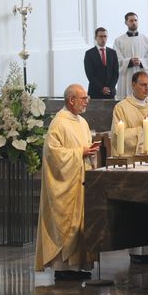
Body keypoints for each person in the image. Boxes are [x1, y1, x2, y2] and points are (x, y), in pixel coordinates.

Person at [34, 84, 102, 282]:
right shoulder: (59, 123)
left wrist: (89, 152)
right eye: (83, 98)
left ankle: (77, 265)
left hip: (80, 181)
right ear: (71, 100)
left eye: (87, 98)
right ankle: (62, 267)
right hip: (65, 185)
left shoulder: (82, 122)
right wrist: (79, 153)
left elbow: (84, 148)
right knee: (67, 225)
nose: (86, 101)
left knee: (81, 224)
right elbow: (52, 154)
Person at [112, 71, 148, 264]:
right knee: (137, 208)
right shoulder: (122, 108)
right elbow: (118, 136)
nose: (147, 89)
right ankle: (137, 251)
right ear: (133, 85)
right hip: (134, 165)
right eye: (143, 85)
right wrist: (142, 129)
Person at [112, 12, 148, 100]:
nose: (134, 22)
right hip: (126, 76)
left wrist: (141, 62)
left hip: (141, 73)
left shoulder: (146, 39)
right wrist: (129, 62)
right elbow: (116, 59)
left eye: (135, 20)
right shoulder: (119, 40)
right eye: (131, 20)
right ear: (126, 23)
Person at [83, 27, 119, 99]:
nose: (103, 39)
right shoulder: (89, 53)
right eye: (100, 36)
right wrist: (101, 88)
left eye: (105, 36)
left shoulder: (113, 53)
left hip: (110, 92)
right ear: (95, 38)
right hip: (95, 91)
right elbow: (90, 75)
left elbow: (116, 73)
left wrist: (109, 88)